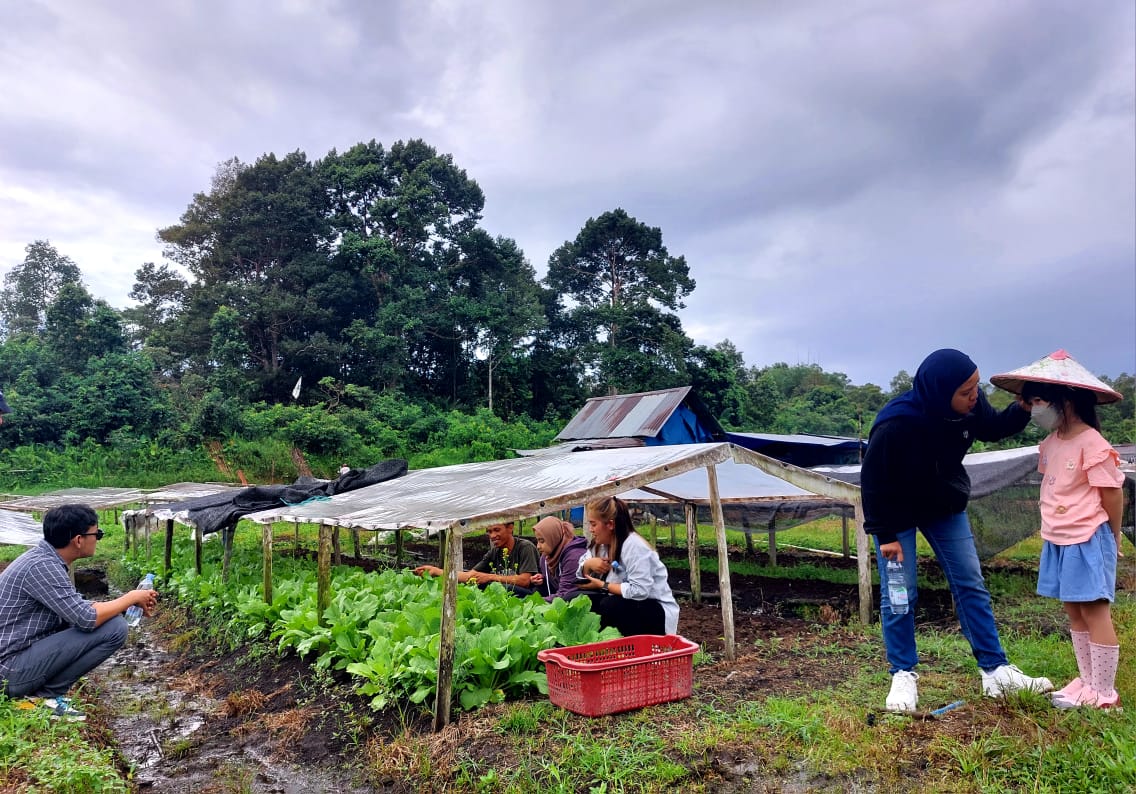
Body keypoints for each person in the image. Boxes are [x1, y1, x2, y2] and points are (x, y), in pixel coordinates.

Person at [861, 348, 1052, 713]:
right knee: (900, 593)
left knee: (970, 581)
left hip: (944, 507)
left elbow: (994, 428)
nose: (974, 397)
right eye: (966, 391)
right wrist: (884, 535)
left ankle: (996, 671)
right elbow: (873, 482)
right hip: (896, 515)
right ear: (939, 390)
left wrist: (1023, 409)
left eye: (976, 388)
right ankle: (903, 673)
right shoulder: (896, 424)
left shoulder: (970, 408)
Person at [992, 349, 1126, 710]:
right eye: (1031, 400)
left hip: (1088, 536)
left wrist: (1111, 537)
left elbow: (1112, 494)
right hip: (1059, 538)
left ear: (1065, 401)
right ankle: (1087, 681)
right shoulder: (1050, 443)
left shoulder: (1093, 444)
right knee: (1073, 609)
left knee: (1095, 609)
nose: (1034, 409)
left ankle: (1105, 692)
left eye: (1039, 401)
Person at [0, 504, 158, 720]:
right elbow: (86, 618)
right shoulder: (42, 567)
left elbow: (77, 609)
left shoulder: (43, 561)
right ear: (78, 540)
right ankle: (46, 696)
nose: (97, 539)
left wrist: (125, 605)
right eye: (97, 534)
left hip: (15, 660)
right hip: (9, 671)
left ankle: (44, 695)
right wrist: (130, 598)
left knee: (111, 621)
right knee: (115, 629)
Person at [575, 496, 679, 635]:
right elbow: (579, 573)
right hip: (629, 603)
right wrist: (588, 565)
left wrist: (603, 585)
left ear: (610, 525)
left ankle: (629, 648)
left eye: (594, 524)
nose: (591, 529)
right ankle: (595, 646)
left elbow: (639, 591)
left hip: (655, 610)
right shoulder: (601, 545)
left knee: (610, 606)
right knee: (579, 599)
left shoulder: (634, 547)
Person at [414, 521, 540, 596]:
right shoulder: (494, 553)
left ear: (510, 528)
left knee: (495, 585)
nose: (493, 536)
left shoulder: (525, 548)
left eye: (497, 530)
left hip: (530, 599)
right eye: (489, 532)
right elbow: (470, 576)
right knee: (477, 586)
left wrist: (490, 577)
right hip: (506, 598)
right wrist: (436, 571)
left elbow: (525, 581)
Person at [530, 516, 588, 602]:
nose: (538, 546)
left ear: (554, 537)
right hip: (561, 596)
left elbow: (565, 594)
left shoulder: (574, 558)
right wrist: (543, 579)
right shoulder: (546, 557)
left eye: (542, 541)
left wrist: (533, 603)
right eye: (537, 541)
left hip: (579, 601)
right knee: (537, 590)